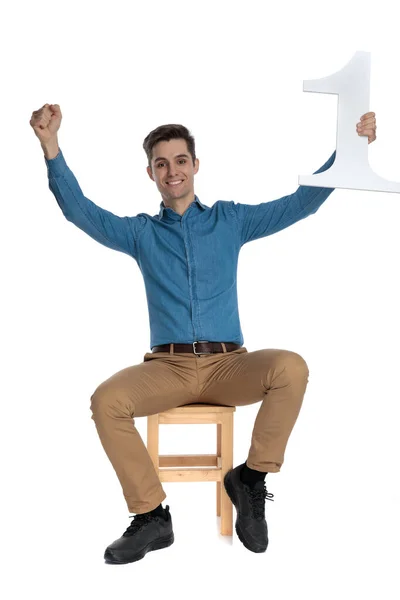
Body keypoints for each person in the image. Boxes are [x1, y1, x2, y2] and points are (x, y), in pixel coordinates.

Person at [30, 104, 377, 564]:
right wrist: (51, 147)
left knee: (290, 366)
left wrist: (347, 150)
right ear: (150, 173)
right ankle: (152, 515)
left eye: (180, 160)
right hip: (168, 368)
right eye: (161, 163)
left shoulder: (230, 221)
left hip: (229, 366)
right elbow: (80, 212)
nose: (172, 171)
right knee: (106, 401)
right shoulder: (141, 233)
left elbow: (301, 202)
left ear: (195, 165)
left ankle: (250, 479)